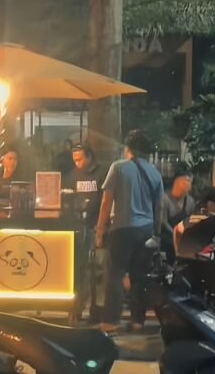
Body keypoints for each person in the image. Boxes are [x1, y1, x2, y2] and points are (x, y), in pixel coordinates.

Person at [96, 129, 164, 332]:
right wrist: (157, 233)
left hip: (122, 229)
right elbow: (159, 207)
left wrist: (100, 231)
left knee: (115, 276)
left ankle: (110, 322)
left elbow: (106, 202)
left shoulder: (118, 168)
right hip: (146, 230)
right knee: (139, 277)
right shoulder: (154, 172)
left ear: (128, 148)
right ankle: (137, 321)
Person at [67, 143, 107, 322]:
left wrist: (101, 226)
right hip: (78, 228)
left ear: (90, 156)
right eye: (74, 160)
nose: (77, 163)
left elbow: (107, 200)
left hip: (96, 226)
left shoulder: (102, 173)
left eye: (80, 159)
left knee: (97, 271)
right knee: (80, 270)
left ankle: (96, 309)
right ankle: (77, 307)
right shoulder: (73, 175)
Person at [158, 170, 195, 262]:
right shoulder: (164, 199)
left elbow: (191, 221)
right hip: (168, 238)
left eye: (190, 182)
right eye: (186, 181)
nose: (188, 185)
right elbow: (163, 222)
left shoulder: (190, 201)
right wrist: (176, 234)